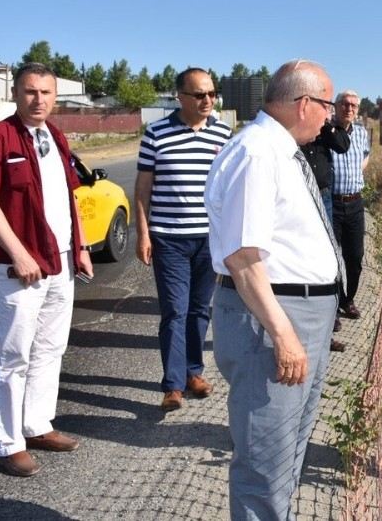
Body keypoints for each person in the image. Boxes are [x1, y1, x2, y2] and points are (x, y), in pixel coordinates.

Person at [205, 59, 343, 520]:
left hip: (298, 314)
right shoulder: (258, 153)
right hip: (273, 318)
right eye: (326, 106)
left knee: (287, 450)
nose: (330, 117)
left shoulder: (277, 151)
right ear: (305, 104)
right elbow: (243, 259)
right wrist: (284, 336)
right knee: (265, 460)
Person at [0, 62, 93, 477]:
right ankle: (7, 442)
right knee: (14, 355)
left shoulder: (55, 136)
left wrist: (82, 245)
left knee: (51, 349)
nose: (38, 100)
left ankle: (37, 424)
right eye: (30, 92)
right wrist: (19, 254)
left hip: (60, 262)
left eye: (46, 93)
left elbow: (70, 197)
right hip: (19, 267)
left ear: (56, 96)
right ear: (15, 94)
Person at [135, 67, 232, 412]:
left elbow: (229, 189)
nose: (207, 100)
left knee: (198, 310)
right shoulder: (156, 133)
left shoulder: (223, 133)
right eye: (199, 95)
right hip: (169, 239)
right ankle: (173, 385)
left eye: (211, 93)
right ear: (180, 97)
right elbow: (143, 187)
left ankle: (194, 372)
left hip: (208, 240)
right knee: (174, 311)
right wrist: (143, 233)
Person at [300, 119, 351, 352]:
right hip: (300, 199)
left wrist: (325, 124)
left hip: (324, 196)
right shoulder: (294, 130)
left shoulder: (326, 129)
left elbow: (342, 145)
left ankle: (327, 326)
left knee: (327, 258)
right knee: (303, 263)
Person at [330, 90, 370, 320]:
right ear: (336, 106)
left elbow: (366, 156)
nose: (349, 108)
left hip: (355, 203)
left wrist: (355, 176)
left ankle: (348, 300)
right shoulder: (326, 131)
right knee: (332, 259)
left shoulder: (362, 133)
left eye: (354, 105)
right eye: (345, 104)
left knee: (354, 258)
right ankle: (331, 309)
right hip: (332, 204)